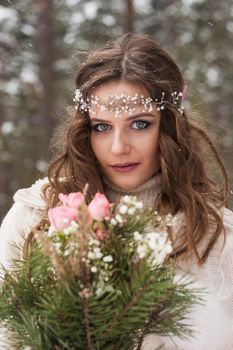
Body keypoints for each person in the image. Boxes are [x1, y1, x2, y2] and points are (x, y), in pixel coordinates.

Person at [0, 33, 233, 350]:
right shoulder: (37, 217)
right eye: (102, 126)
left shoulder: (213, 238)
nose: (118, 147)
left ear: (168, 126)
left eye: (139, 124)